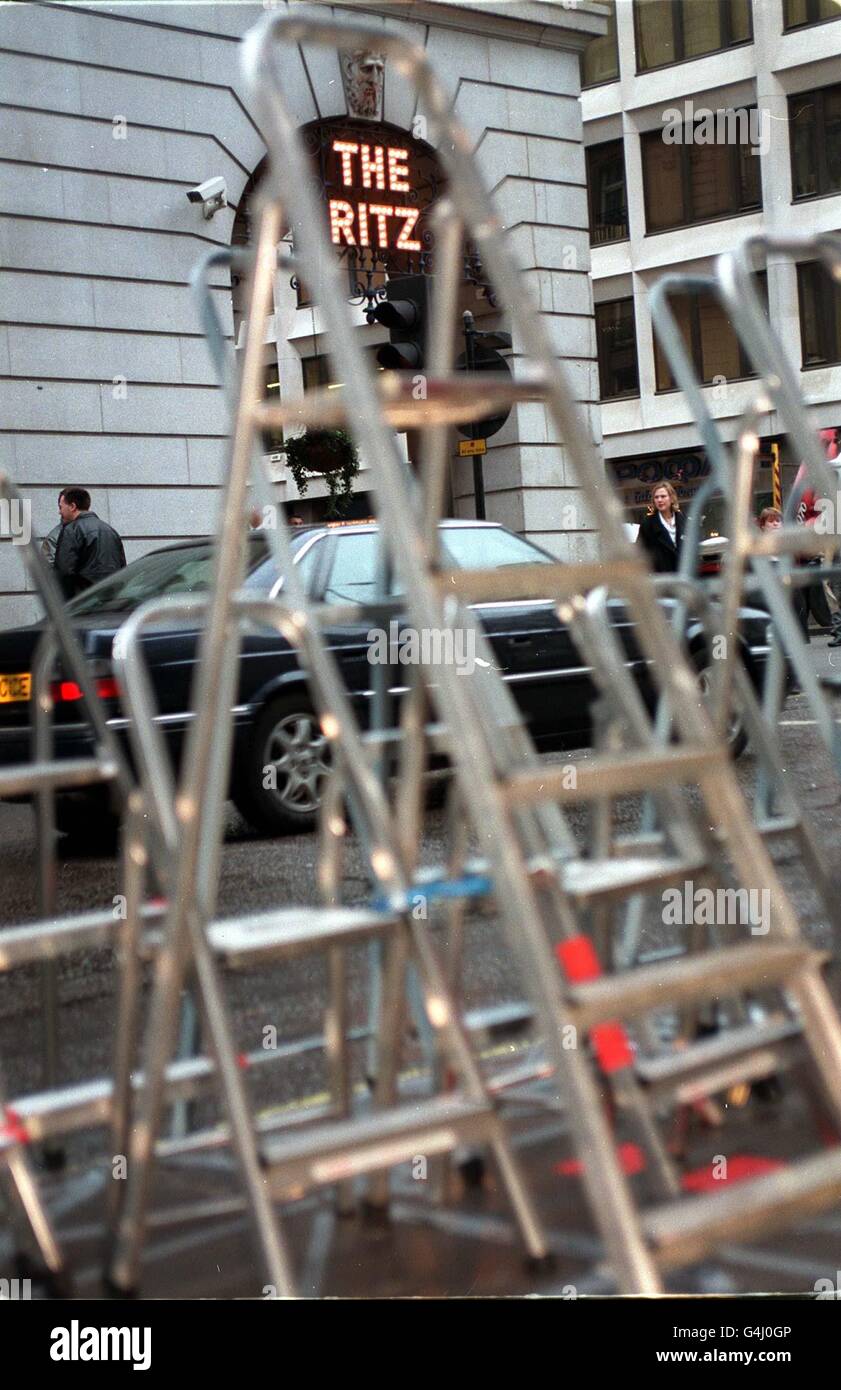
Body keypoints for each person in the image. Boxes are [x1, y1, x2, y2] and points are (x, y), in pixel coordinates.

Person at [53, 487, 126, 600]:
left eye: (61, 507)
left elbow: (64, 571)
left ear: (72, 506)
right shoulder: (110, 531)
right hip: (111, 601)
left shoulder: (71, 530)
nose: (59, 512)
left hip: (84, 603)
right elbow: (122, 568)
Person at [636, 481, 685, 573]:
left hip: (684, 576)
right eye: (656, 497)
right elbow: (640, 552)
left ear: (672, 498)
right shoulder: (648, 524)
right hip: (661, 578)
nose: (659, 500)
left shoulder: (683, 520)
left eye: (663, 496)